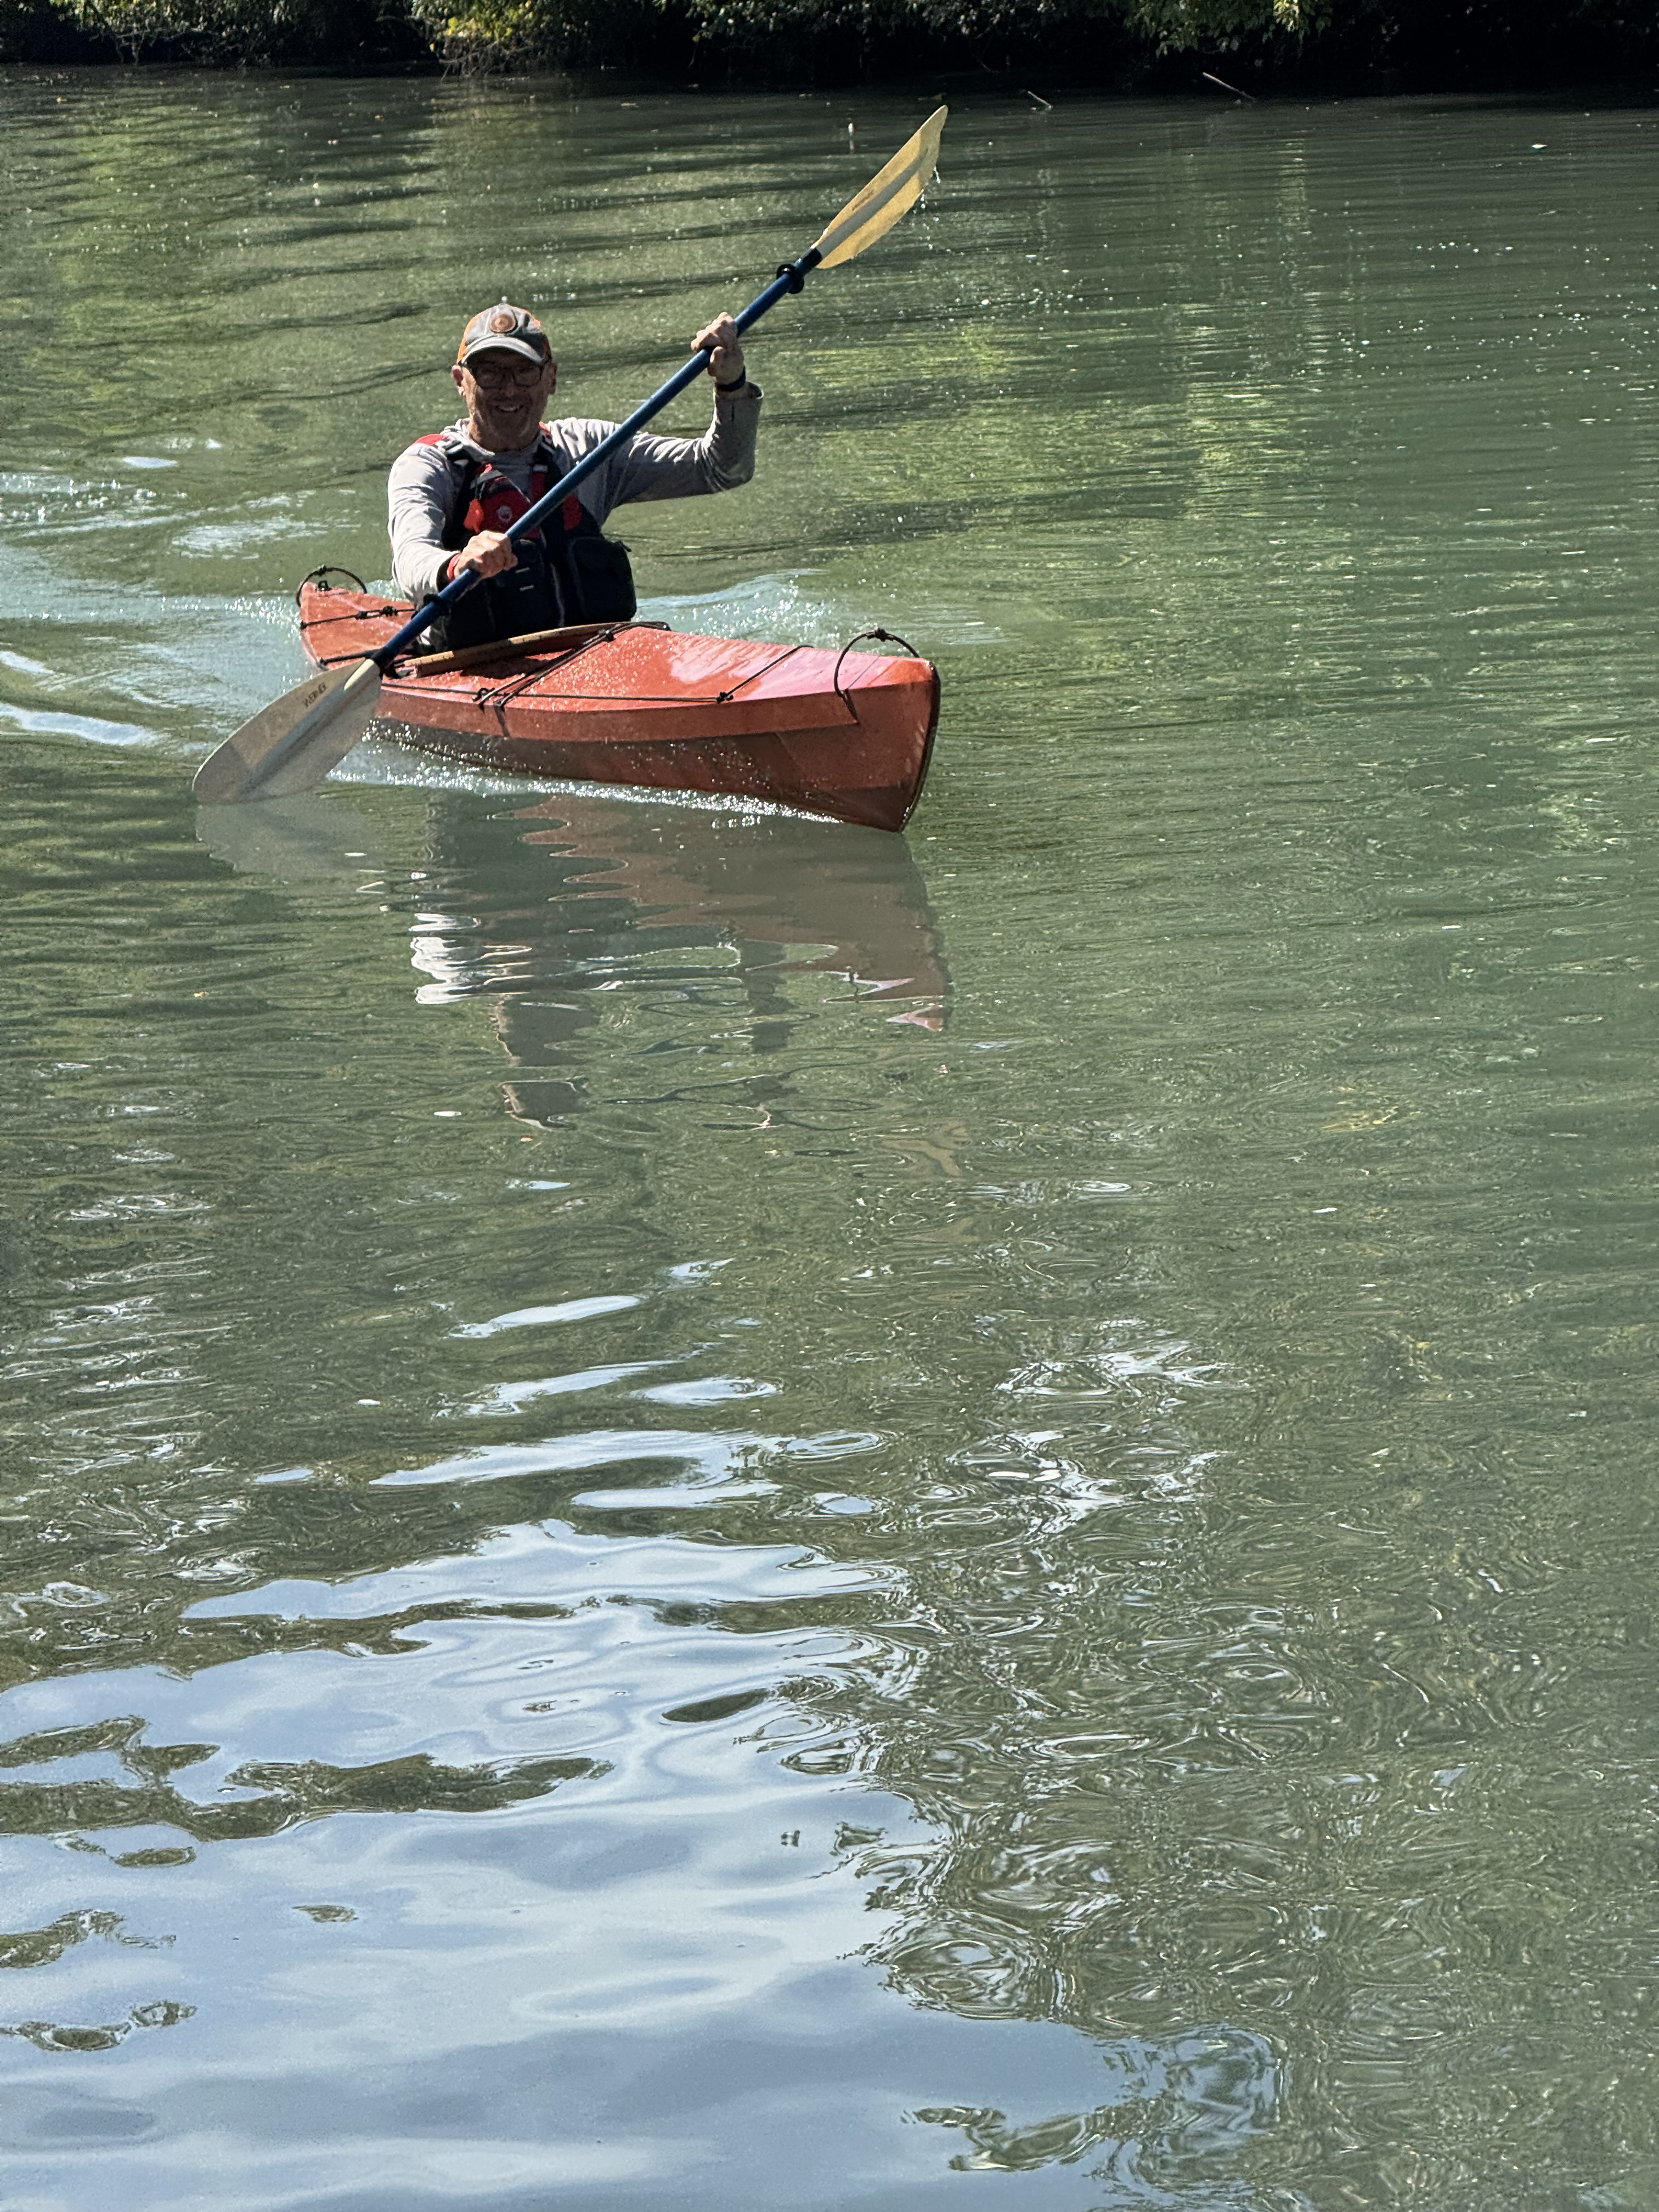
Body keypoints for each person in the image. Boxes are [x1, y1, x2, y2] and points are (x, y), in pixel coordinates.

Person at [388, 298, 761, 654]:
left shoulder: (588, 449)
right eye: (489, 373)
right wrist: (455, 564)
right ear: (460, 380)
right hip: (475, 666)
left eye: (524, 370)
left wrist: (731, 385)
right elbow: (410, 559)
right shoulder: (428, 466)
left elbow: (722, 469)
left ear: (550, 377)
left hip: (591, 658)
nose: (510, 388)